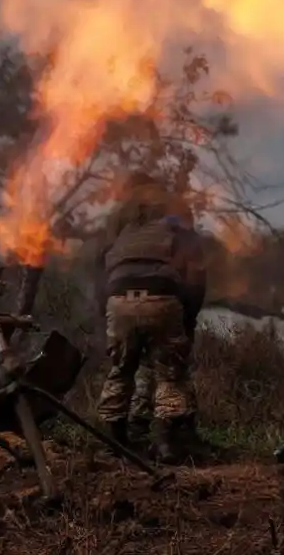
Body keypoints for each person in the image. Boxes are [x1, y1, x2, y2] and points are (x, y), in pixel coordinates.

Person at [94, 172, 206, 464]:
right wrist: (189, 316)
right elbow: (195, 273)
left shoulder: (122, 227)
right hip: (163, 296)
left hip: (118, 297)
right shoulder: (177, 221)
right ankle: (165, 443)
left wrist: (106, 311)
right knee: (170, 373)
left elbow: (101, 271)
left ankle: (115, 442)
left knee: (120, 369)